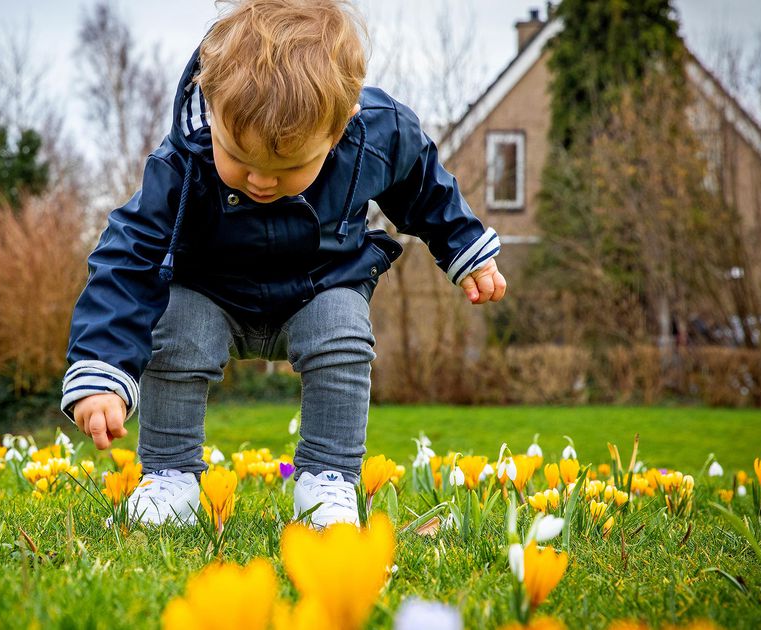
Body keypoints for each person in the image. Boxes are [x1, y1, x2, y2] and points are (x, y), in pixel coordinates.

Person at [61, 0, 506, 528]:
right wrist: (104, 368)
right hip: (211, 293)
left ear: (339, 129)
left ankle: (326, 480)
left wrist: (465, 247)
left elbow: (423, 185)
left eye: (289, 167)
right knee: (175, 327)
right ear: (213, 107)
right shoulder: (183, 162)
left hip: (320, 288)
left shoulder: (377, 136)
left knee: (344, 332)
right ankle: (170, 477)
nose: (261, 182)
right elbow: (129, 254)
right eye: (239, 159)